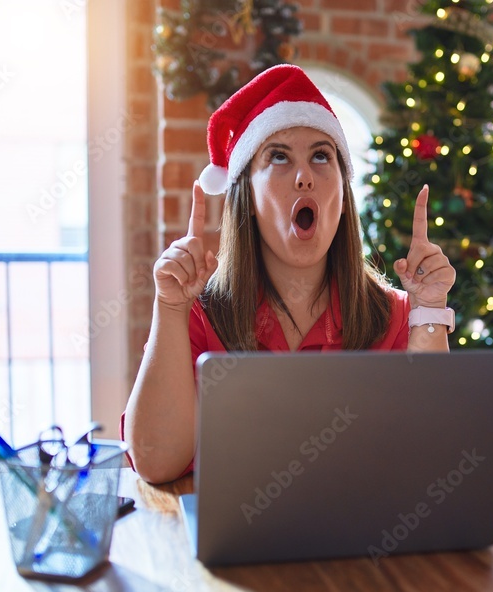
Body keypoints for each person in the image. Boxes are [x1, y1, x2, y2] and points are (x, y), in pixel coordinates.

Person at [124, 65, 457, 484]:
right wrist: (170, 307)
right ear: (247, 198)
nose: (304, 177)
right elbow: (156, 462)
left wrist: (429, 311)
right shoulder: (197, 315)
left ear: (341, 194)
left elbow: (432, 457)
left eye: (322, 156)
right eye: (278, 157)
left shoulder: (398, 316)